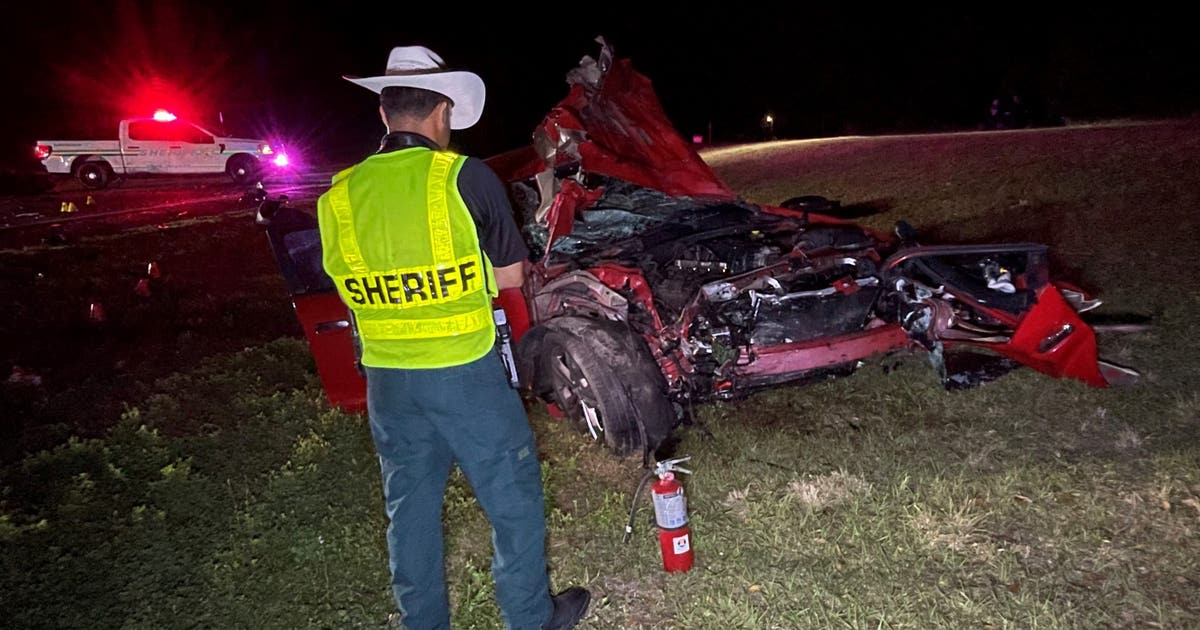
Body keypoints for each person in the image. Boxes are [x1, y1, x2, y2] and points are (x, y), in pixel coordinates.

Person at [317, 45, 590, 630]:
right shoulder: (464, 177)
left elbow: (347, 286)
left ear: (384, 114)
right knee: (512, 502)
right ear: (443, 113)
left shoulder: (338, 195)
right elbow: (511, 276)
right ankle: (530, 618)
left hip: (388, 384)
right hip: (466, 374)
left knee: (409, 511)